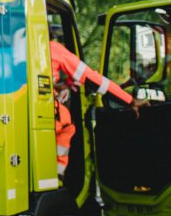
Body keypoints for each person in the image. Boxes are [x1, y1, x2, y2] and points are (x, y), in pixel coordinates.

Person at [49, 28, 146, 180]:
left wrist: (57, 86)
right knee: (67, 124)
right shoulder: (52, 48)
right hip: (42, 113)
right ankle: (57, 175)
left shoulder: (14, 49)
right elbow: (91, 78)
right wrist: (130, 100)